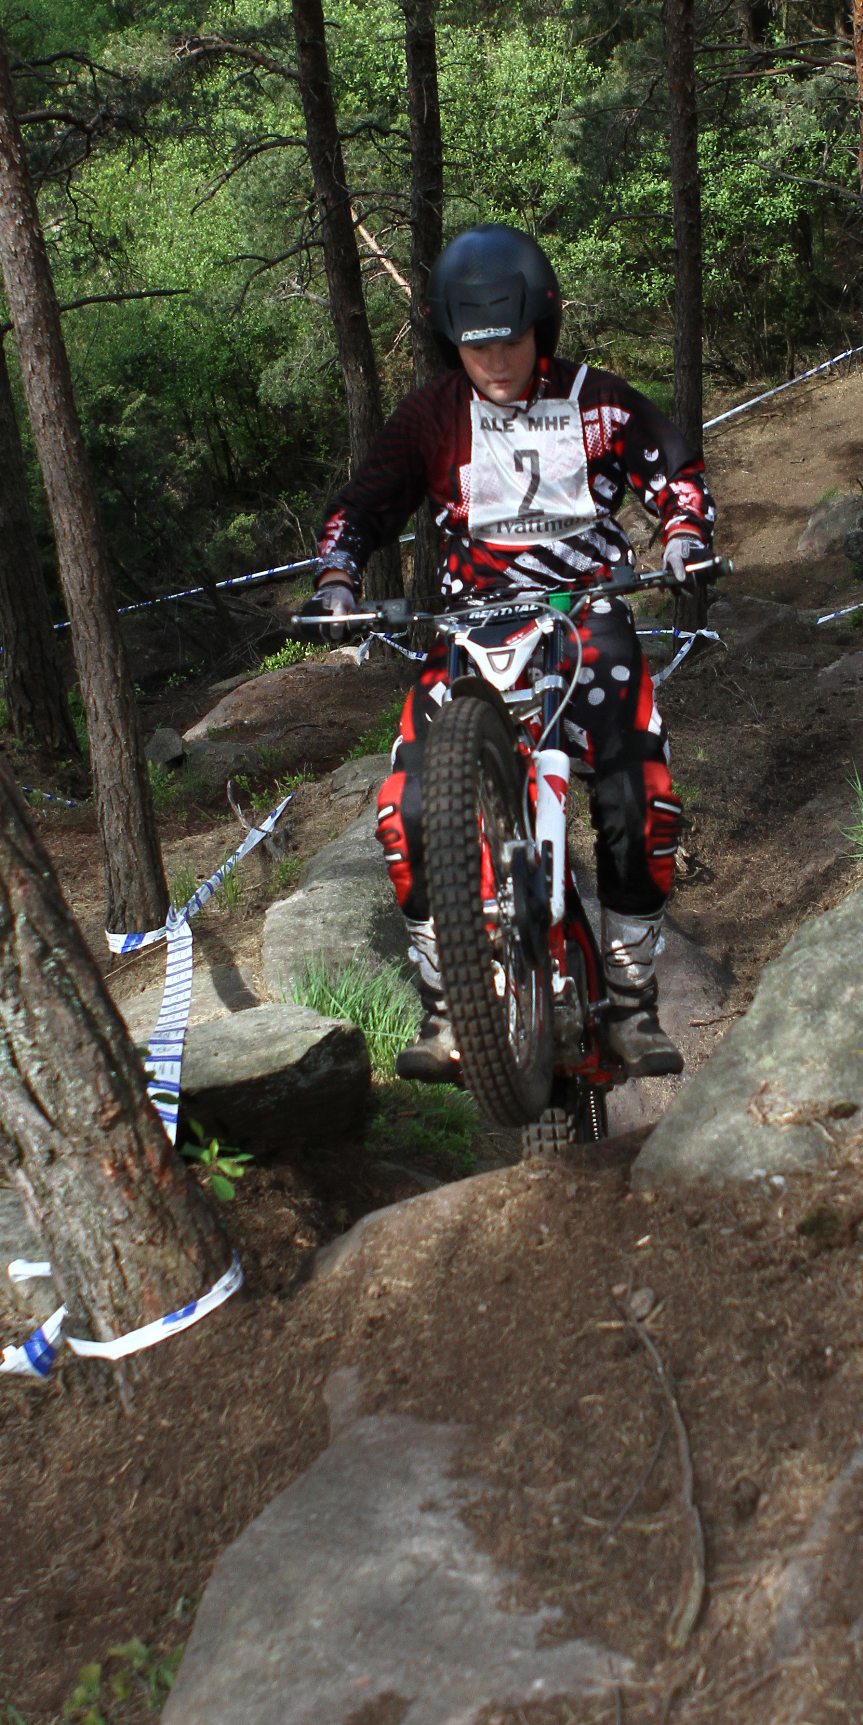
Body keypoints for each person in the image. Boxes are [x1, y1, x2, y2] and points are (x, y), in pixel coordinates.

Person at [310, 222, 716, 1083]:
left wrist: (683, 535)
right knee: (406, 808)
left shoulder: (600, 401)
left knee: (641, 793)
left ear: (542, 326)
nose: (494, 361)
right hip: (470, 627)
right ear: (450, 340)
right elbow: (362, 505)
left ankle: (632, 1000)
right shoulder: (430, 416)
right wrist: (337, 577)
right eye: (475, 345)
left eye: (511, 340)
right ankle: (448, 1002)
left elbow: (674, 474)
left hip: (586, 612)